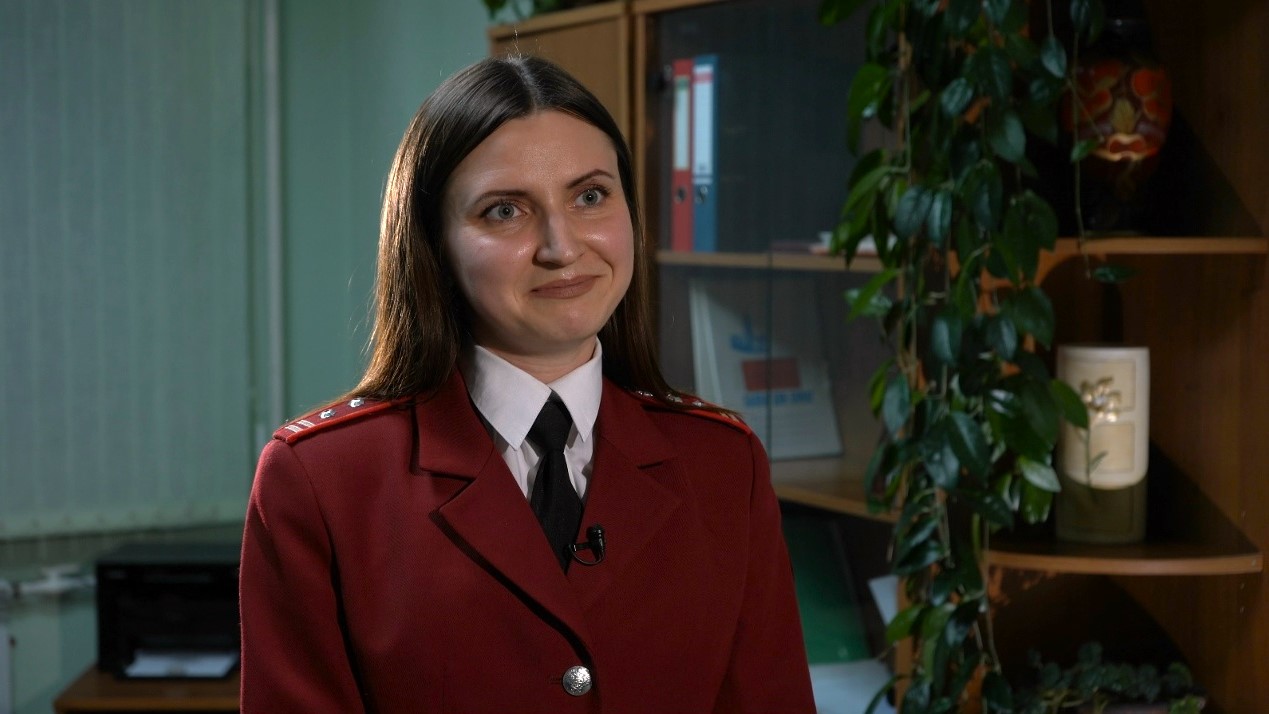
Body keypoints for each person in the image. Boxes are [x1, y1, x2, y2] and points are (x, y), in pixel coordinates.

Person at [239, 55, 816, 713]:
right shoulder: (320, 481)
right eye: (504, 210)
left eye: (590, 196)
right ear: (434, 244)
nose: (561, 247)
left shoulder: (724, 463)